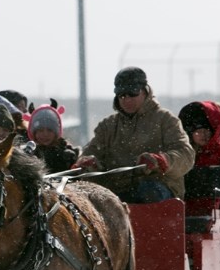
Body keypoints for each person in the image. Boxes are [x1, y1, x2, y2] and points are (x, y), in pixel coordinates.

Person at [75, 67, 195, 203]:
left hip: (158, 189)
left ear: (145, 91)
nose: (127, 100)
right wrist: (88, 163)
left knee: (149, 191)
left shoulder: (165, 120)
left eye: (132, 94)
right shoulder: (107, 126)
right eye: (122, 95)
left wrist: (161, 161)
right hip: (115, 191)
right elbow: (91, 152)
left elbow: (186, 155)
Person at [26, 99, 79, 173]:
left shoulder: (68, 155)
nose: (45, 134)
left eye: (50, 130)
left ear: (56, 132)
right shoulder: (27, 156)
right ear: (34, 133)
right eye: (41, 130)